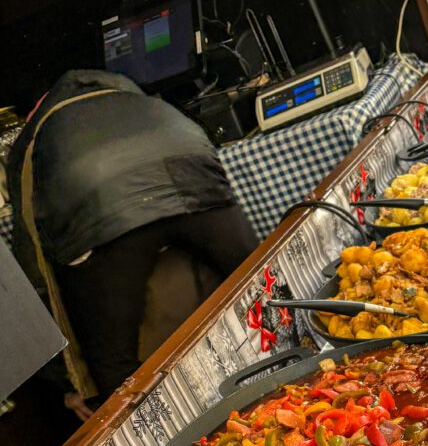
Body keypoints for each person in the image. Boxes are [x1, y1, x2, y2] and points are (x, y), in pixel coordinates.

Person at [7, 69, 258, 410]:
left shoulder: (32, 140)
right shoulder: (131, 91)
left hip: (103, 210)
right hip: (192, 178)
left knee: (116, 370)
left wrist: (71, 382)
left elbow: (34, 266)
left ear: (28, 114)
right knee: (263, 285)